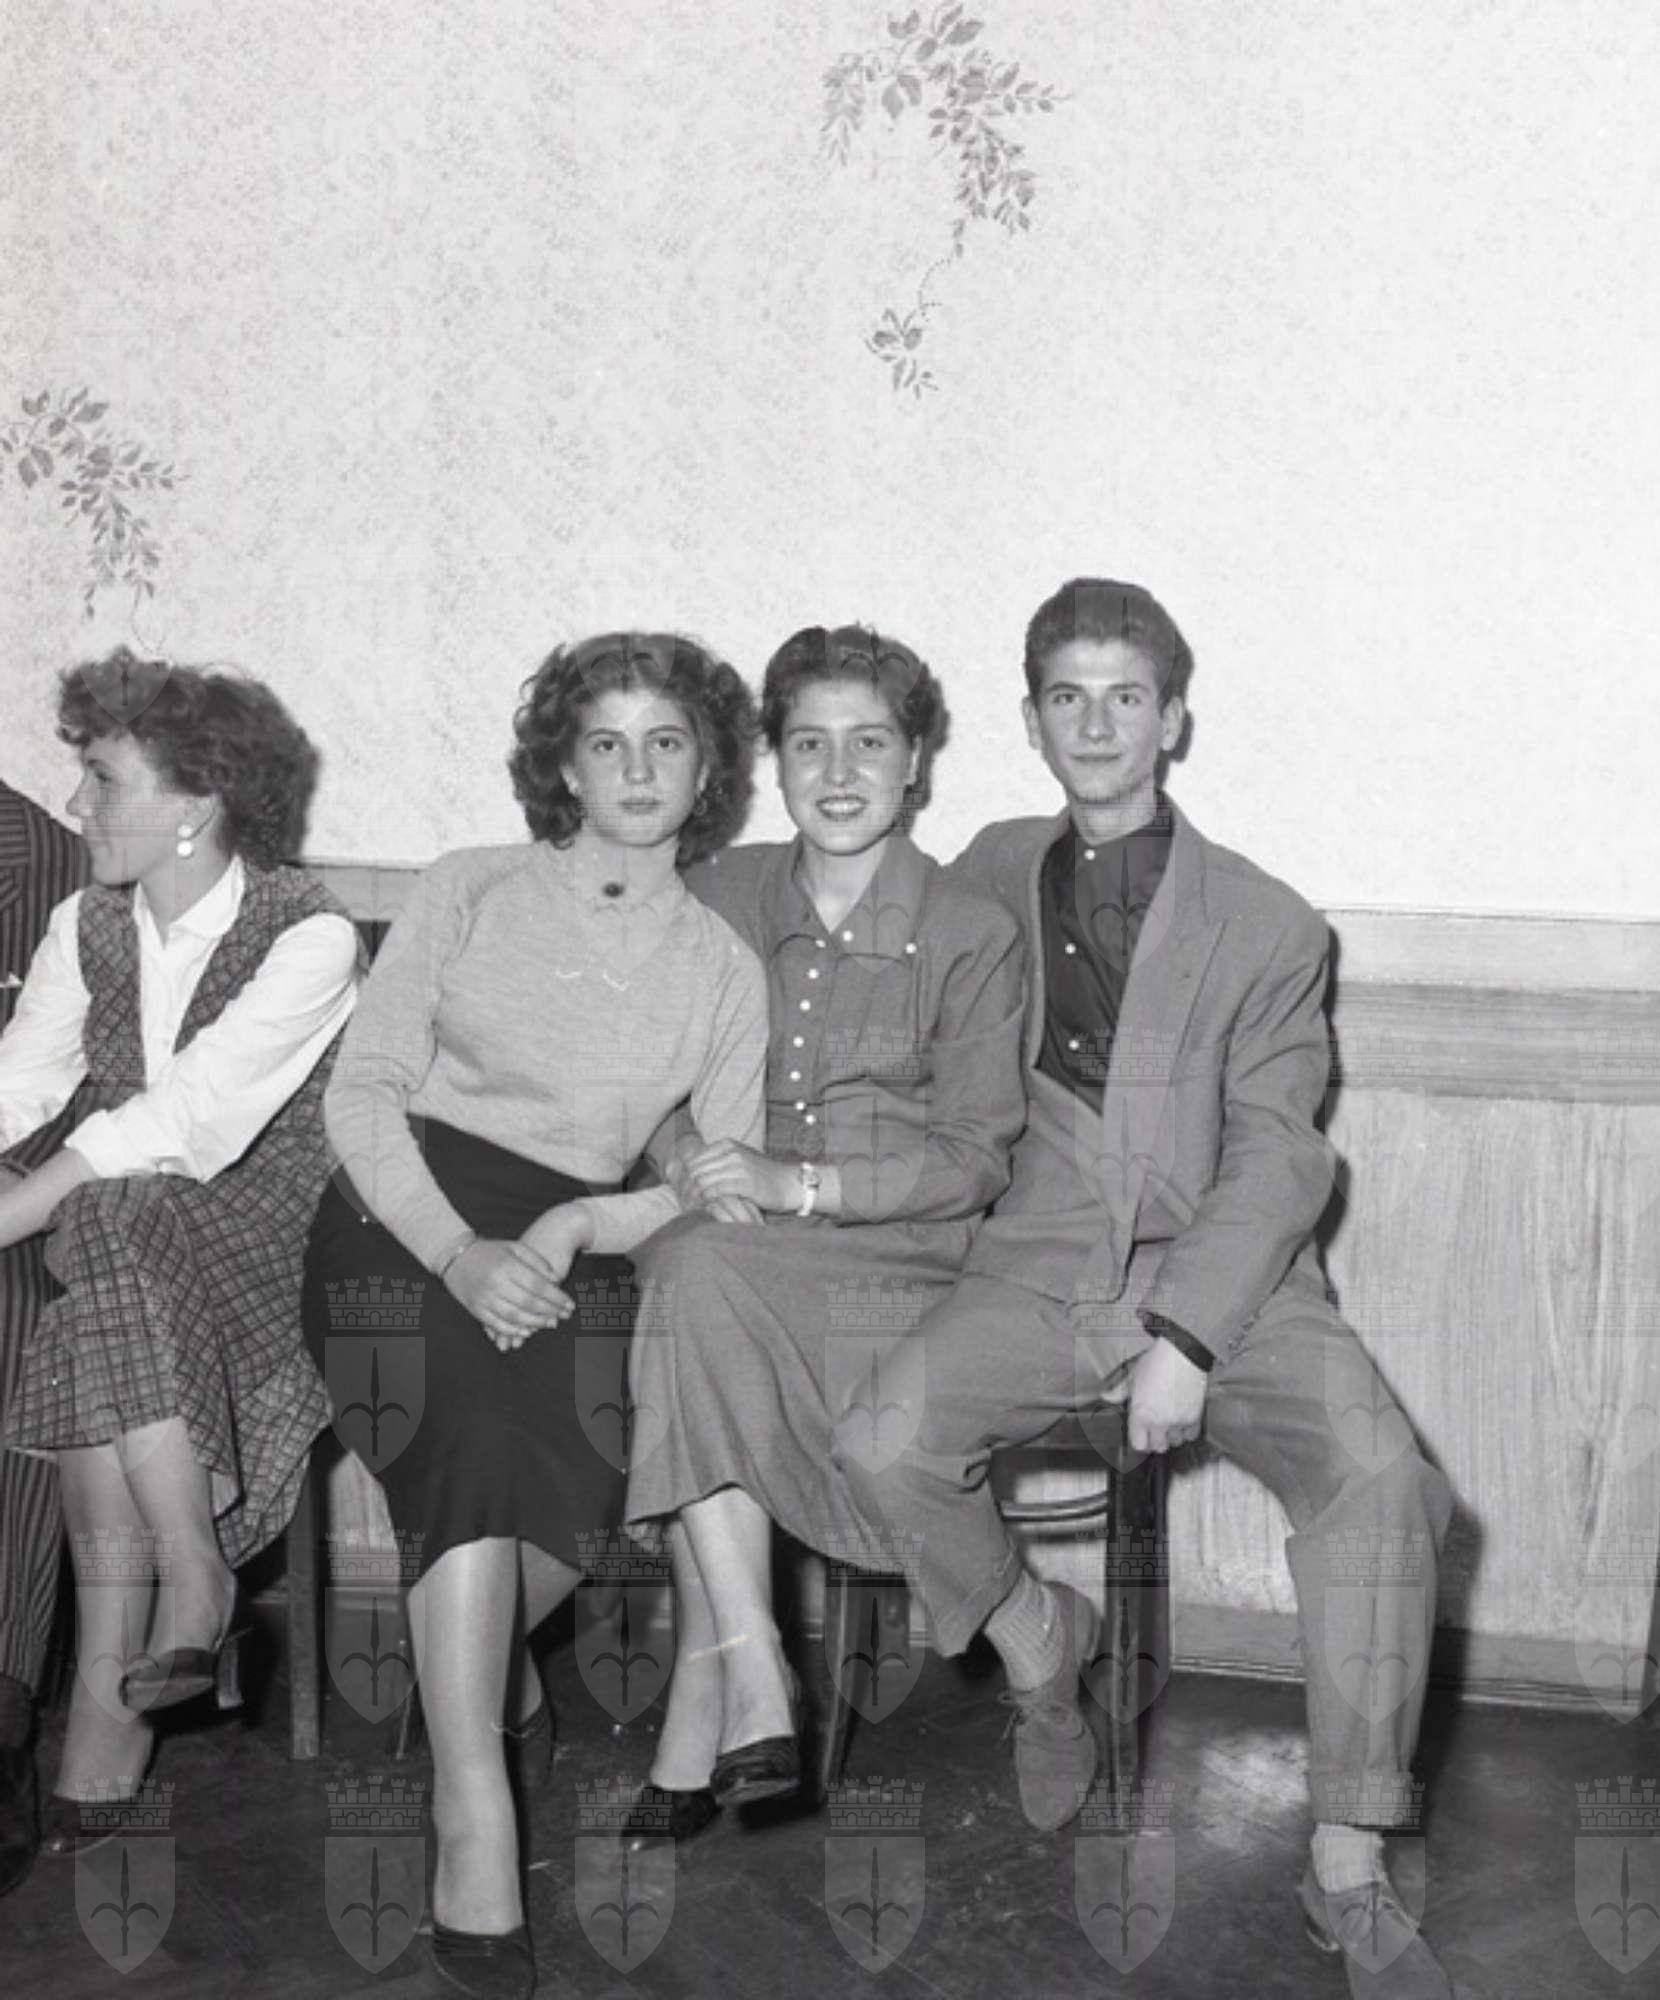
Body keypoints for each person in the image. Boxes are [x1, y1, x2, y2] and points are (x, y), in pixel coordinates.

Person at [839, 579, 1458, 1999]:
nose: (1097, 723)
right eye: (1067, 696)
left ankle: (1346, 1858)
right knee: (881, 1438)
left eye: (1126, 696)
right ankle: (1038, 1642)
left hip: (1227, 1276)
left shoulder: (1268, 922)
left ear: (1172, 719)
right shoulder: (984, 868)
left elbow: (1280, 1152)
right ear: (1029, 720)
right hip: (1039, 1263)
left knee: (1380, 1480)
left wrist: (1185, 1333)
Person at [307, 631, 766, 1999]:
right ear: (562, 767)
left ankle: (474, 1675)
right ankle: (475, 1821)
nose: (636, 768)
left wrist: (575, 1227)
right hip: (402, 1215)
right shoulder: (468, 886)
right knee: (472, 1427)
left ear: (705, 770)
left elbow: (714, 1186)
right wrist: (456, 1255)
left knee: (606, 1445)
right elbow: (359, 1095)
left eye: (666, 741)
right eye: (604, 742)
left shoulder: (721, 966)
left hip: (582, 1236)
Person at [619, 624, 1025, 1837]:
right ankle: (741, 1675)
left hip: (899, 1253)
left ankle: (730, 1676)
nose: (838, 772)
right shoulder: (715, 893)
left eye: (869, 743)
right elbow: (643, 1079)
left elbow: (971, 1159)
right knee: (692, 1276)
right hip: (729, 1237)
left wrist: (795, 1185)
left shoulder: (968, 927)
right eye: (809, 744)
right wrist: (686, 1158)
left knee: (688, 1284)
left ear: (916, 763)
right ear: (774, 760)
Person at [0, 651, 359, 1862]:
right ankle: (182, 1607)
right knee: (109, 1240)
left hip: (266, 1223)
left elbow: (186, 1121)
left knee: (99, 1226)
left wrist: (17, 1206)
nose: (77, 803)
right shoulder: (87, 921)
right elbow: (21, 1083)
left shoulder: (308, 932)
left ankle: (141, 1648)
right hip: (133, 1236)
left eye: (104, 778)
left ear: (198, 800)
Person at [0, 775, 91, 1892]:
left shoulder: (49, 864)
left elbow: (71, 1078)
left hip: (21, 1192)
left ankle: (4, 1703)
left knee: (20, 1312)